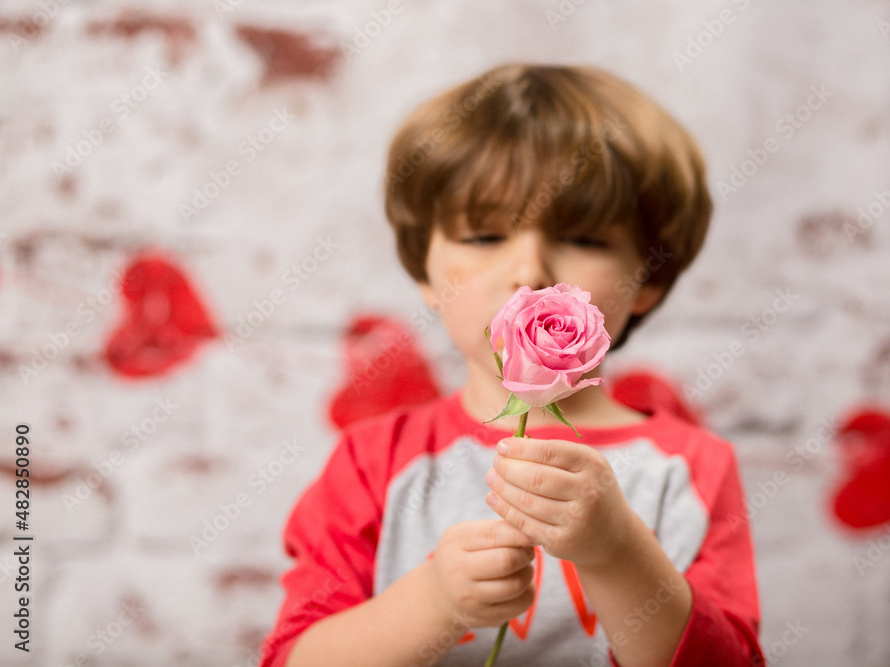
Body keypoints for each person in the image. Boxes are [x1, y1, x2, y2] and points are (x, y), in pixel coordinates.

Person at [259, 62, 764, 666]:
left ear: (648, 279)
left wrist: (615, 550)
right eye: (483, 237)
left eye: (585, 239)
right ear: (424, 269)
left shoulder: (690, 469)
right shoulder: (373, 464)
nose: (530, 271)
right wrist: (435, 601)